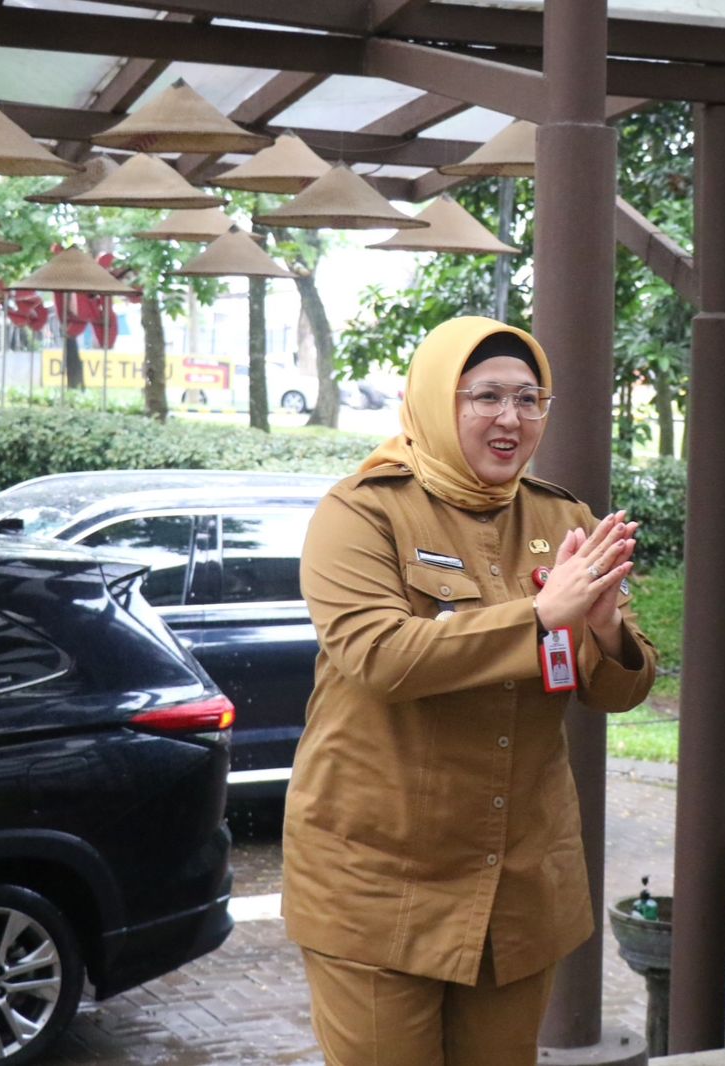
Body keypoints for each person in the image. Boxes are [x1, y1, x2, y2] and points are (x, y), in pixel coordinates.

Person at [281, 316, 658, 1066]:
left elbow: (613, 690)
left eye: (529, 398)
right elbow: (379, 656)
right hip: (378, 885)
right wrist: (541, 617)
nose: (510, 418)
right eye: (485, 396)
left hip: (517, 887)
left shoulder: (560, 518)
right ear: (433, 400)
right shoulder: (361, 512)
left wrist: (608, 631)